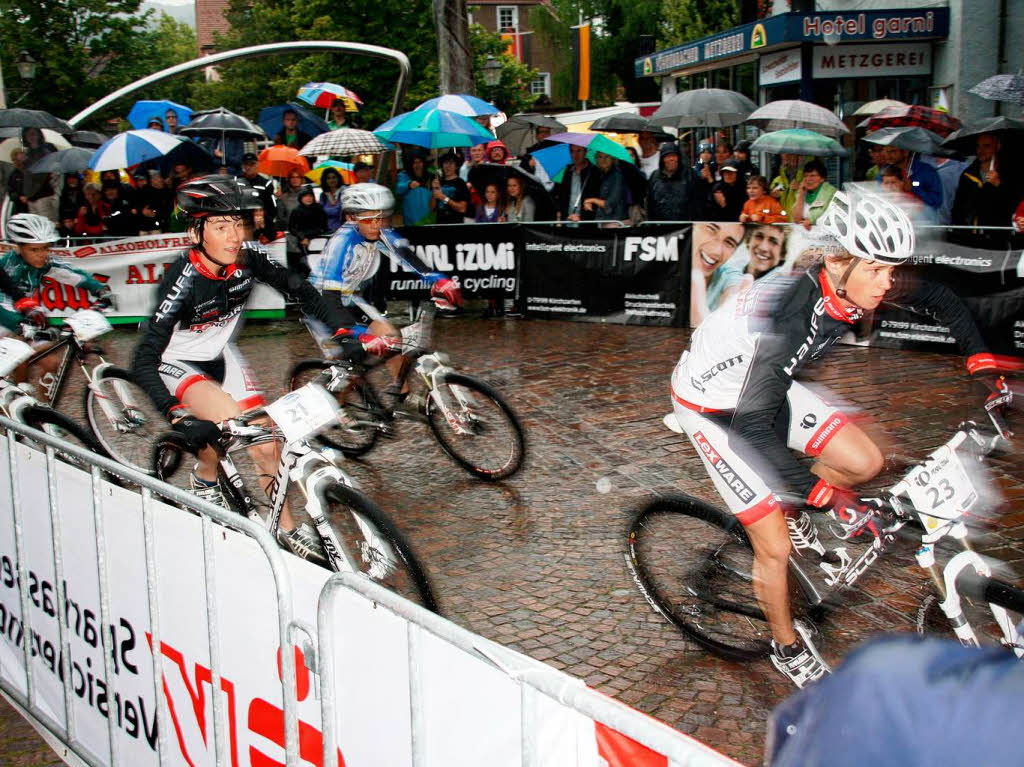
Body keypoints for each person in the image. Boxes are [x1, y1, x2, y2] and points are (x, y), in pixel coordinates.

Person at [668, 192, 995, 688]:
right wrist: (826, 496)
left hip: (763, 386)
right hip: (713, 407)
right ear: (839, 262)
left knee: (864, 460)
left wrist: (982, 363)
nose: (887, 284)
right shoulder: (793, 316)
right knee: (774, 546)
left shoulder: (853, 277)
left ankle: (797, 507)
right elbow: (755, 427)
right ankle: (787, 647)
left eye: (891, 270)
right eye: (877, 271)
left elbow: (941, 299)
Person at [131, 176, 356, 564]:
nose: (234, 236)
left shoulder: (248, 258)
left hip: (222, 353)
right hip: (178, 361)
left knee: (267, 444)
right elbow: (143, 360)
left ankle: (287, 530)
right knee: (229, 420)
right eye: (221, 227)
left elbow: (303, 291)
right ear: (195, 233)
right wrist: (177, 414)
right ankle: (204, 477)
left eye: (238, 224)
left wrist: (344, 331)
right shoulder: (181, 282)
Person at [311, 183, 462, 403]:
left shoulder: (377, 231)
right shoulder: (342, 242)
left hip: (350, 298)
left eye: (381, 218)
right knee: (354, 360)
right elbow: (329, 298)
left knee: (391, 338)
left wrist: (440, 281)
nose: (377, 225)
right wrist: (357, 336)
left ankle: (403, 396)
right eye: (370, 219)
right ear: (352, 218)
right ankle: (334, 411)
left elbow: (406, 256)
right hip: (324, 305)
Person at [0, 215, 114, 389]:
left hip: (26, 317)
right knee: (19, 359)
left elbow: (73, 274)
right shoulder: (9, 266)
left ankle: (43, 413)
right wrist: (19, 324)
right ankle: (13, 406)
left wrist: (100, 290)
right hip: (5, 318)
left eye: (45, 248)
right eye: (34, 250)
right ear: (19, 248)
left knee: (51, 363)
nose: (42, 254)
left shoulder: (46, 262)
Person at [951, 133, 1020, 248]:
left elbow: (1015, 204)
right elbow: (958, 207)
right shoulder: (968, 174)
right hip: (971, 236)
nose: (981, 150)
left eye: (986, 146)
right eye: (978, 146)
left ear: (997, 146)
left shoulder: (1009, 173)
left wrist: (999, 185)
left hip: (998, 237)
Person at [879, 145, 942, 213]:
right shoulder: (883, 172)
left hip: (921, 219)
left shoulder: (926, 171)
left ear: (906, 152)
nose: (888, 155)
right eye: (886, 151)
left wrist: (913, 189)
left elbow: (936, 201)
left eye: (893, 151)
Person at [647, 142, 695, 222]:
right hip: (661, 226)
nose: (671, 159)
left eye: (674, 156)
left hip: (685, 226)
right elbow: (650, 203)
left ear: (678, 158)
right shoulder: (654, 177)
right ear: (663, 159)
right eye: (668, 156)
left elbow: (695, 202)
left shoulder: (689, 175)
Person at [555, 145, 601, 222]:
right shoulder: (567, 170)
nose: (575, 155)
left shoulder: (595, 172)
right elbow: (561, 193)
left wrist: (583, 217)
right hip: (567, 219)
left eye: (579, 151)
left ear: (585, 152)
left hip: (587, 221)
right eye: (572, 151)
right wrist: (559, 210)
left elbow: (598, 197)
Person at [584, 151, 628, 224]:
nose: (603, 160)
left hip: (615, 221)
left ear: (612, 159)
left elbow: (610, 204)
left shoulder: (617, 175)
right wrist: (589, 202)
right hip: (602, 220)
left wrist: (591, 200)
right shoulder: (599, 175)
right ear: (596, 159)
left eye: (607, 157)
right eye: (600, 157)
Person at [790, 159, 836, 227]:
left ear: (822, 178)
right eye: (805, 176)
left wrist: (811, 220)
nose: (808, 179)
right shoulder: (802, 192)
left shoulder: (830, 192)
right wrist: (801, 195)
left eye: (812, 176)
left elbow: (823, 214)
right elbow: (796, 219)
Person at [396, 153, 435, 226]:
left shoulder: (430, 176)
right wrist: (408, 184)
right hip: (411, 222)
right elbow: (398, 188)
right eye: (414, 162)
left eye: (420, 162)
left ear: (423, 163)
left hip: (427, 220)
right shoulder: (404, 175)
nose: (418, 165)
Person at [432, 153, 471, 224]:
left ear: (456, 166)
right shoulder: (438, 182)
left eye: (451, 163)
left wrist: (443, 198)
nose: (448, 166)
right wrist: (434, 192)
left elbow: (462, 208)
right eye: (445, 163)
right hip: (439, 223)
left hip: (455, 223)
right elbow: (432, 208)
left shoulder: (461, 183)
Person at [288, 184, 328, 254]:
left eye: (310, 196)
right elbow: (292, 227)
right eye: (305, 196)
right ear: (301, 198)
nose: (308, 198)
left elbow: (323, 225)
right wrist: (302, 237)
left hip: (319, 239)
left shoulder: (319, 209)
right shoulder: (296, 211)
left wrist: (310, 236)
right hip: (303, 241)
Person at [770, 153, 805, 218]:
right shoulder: (779, 178)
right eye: (783, 153)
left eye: (791, 154)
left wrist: (801, 188)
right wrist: (773, 196)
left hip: (799, 221)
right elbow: (770, 199)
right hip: (782, 220)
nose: (785, 156)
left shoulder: (806, 177)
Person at [319, 168, 345, 232]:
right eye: (328, 178)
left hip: (343, 230)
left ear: (338, 178)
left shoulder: (344, 192)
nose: (332, 180)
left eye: (334, 177)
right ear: (325, 180)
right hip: (328, 231)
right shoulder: (323, 196)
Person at [6, 147, 29, 214]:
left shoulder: (32, 171)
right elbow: (11, 192)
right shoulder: (13, 175)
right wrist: (20, 197)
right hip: (21, 209)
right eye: (15, 160)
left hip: (35, 205)